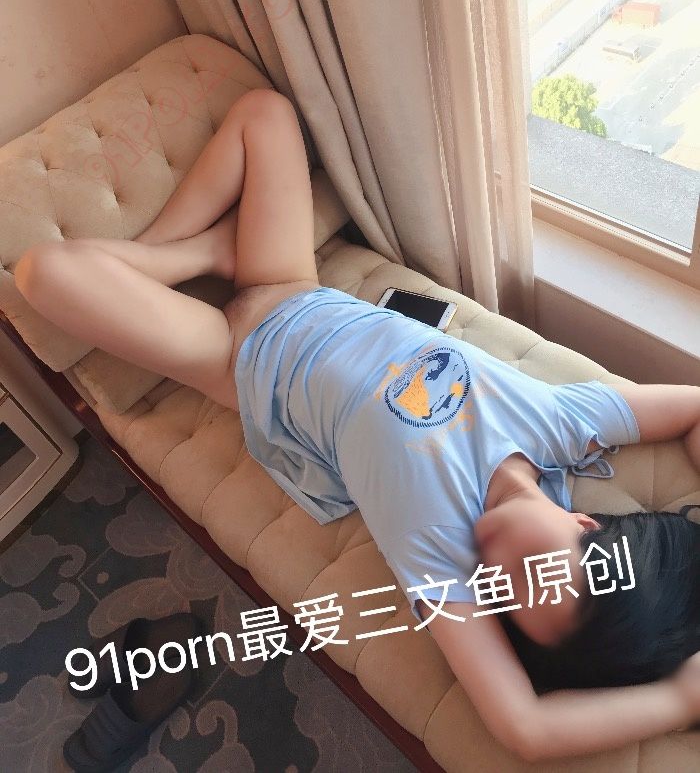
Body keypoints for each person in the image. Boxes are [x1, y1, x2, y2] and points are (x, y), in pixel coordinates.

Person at [14, 88, 700, 761]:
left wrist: (679, 701)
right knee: (264, 113)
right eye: (527, 570)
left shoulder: (436, 549)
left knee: (43, 273)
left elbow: (524, 728)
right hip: (294, 285)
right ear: (582, 524)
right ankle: (191, 256)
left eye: (503, 598)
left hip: (236, 357)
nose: (496, 571)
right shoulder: (563, 424)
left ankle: (191, 258)